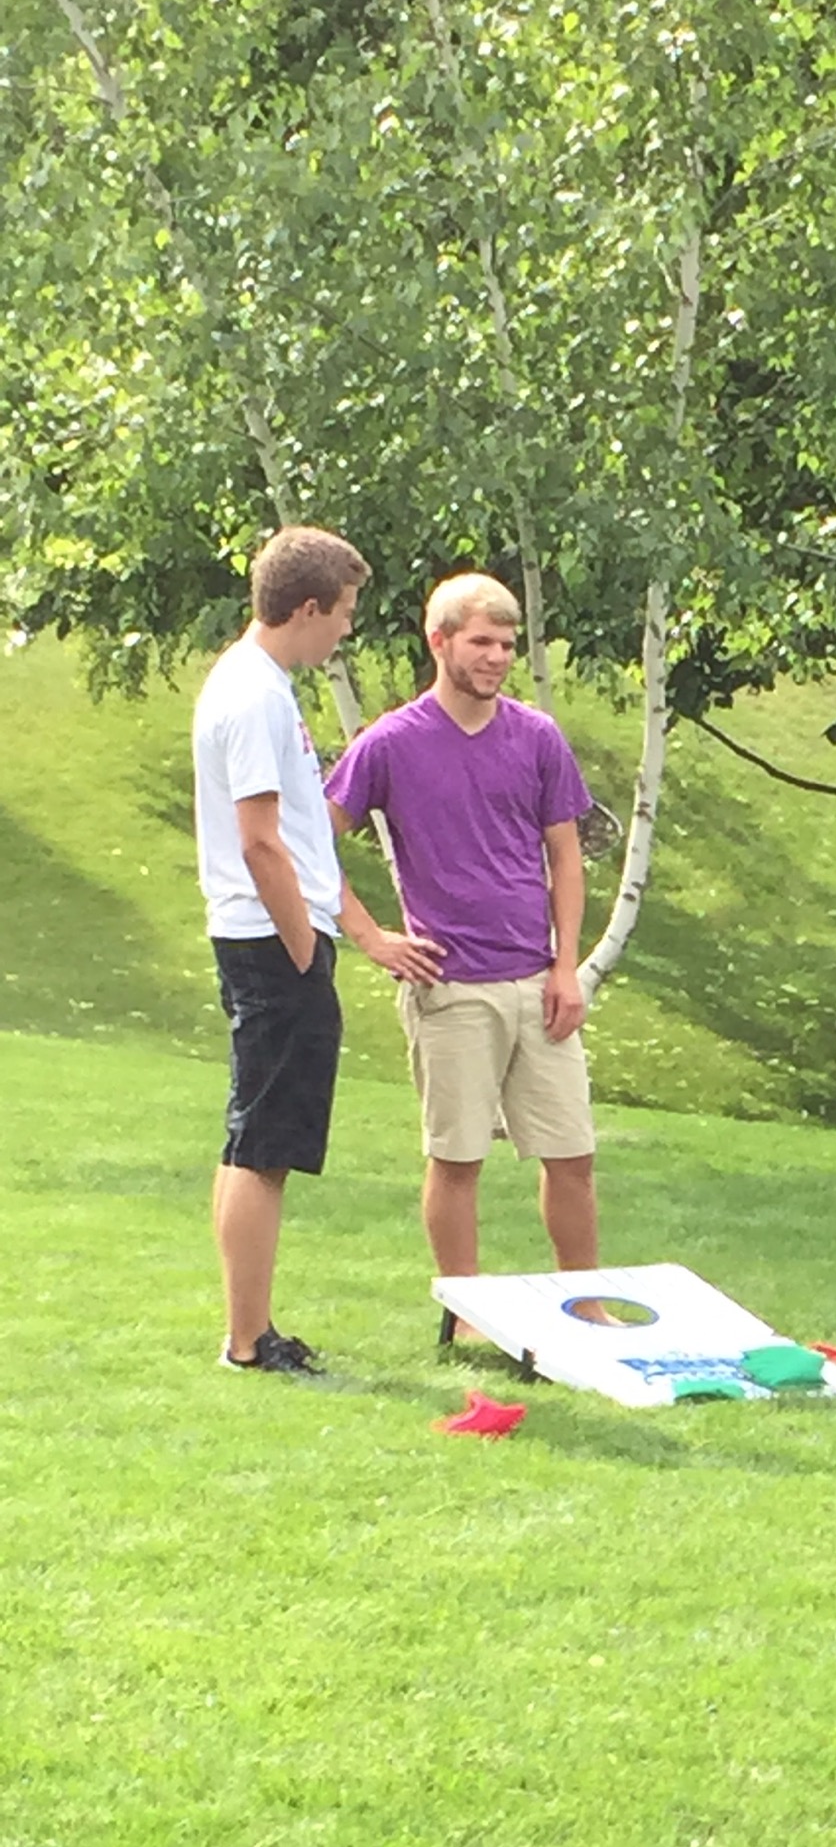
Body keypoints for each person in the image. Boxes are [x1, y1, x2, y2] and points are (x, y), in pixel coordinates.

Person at [194, 526, 442, 1374]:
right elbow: (262, 840)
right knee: (265, 1146)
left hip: (273, 937)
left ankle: (250, 1329)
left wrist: (360, 934)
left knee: (253, 1137)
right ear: (306, 608)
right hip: (270, 941)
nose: (346, 629)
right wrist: (304, 946)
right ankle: (249, 1341)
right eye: (342, 612)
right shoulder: (254, 696)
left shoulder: (260, 686)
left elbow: (301, 836)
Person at [325, 572, 599, 1282]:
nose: (498, 657)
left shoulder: (537, 737)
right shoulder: (391, 743)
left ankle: (586, 1303)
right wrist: (370, 936)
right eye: (482, 642)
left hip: (538, 984)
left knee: (572, 1155)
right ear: (439, 641)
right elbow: (310, 840)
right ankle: (465, 1315)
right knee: (457, 1160)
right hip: (450, 991)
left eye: (508, 645)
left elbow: (566, 855)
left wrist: (566, 966)